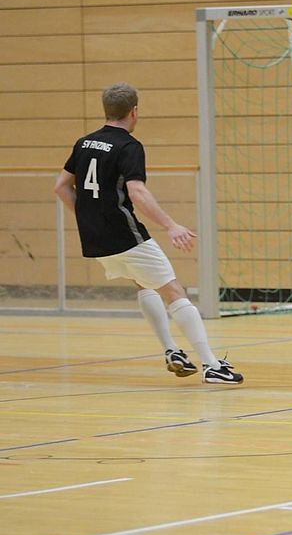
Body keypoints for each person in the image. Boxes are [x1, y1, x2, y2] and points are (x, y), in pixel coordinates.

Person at [53, 82, 243, 385]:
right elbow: (137, 192)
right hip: (123, 232)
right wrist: (171, 225)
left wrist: (88, 219)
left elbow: (61, 187)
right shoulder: (129, 146)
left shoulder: (84, 143)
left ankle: (172, 351)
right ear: (134, 111)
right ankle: (211, 366)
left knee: (143, 283)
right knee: (174, 290)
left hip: (94, 237)